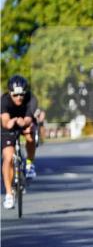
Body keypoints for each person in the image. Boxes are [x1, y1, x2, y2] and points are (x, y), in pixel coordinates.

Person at [2, 76, 44, 208]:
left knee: (30, 134)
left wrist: (23, 122)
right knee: (8, 158)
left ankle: (29, 164)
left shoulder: (31, 99)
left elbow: (28, 119)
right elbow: (5, 123)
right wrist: (12, 122)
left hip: (25, 122)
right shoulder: (4, 101)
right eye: (15, 95)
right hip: (8, 126)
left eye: (21, 94)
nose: (19, 97)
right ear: (10, 93)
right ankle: (9, 195)